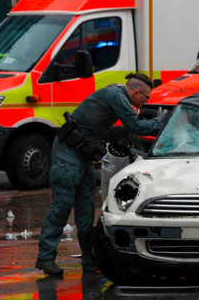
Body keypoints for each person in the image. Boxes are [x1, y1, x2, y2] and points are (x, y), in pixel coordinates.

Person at [35, 73, 167, 277]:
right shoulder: (117, 95)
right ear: (135, 92)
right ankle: (45, 257)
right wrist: (161, 122)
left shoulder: (116, 95)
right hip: (68, 153)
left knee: (86, 210)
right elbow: (136, 126)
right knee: (62, 205)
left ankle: (90, 262)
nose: (146, 102)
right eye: (146, 98)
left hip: (81, 153)